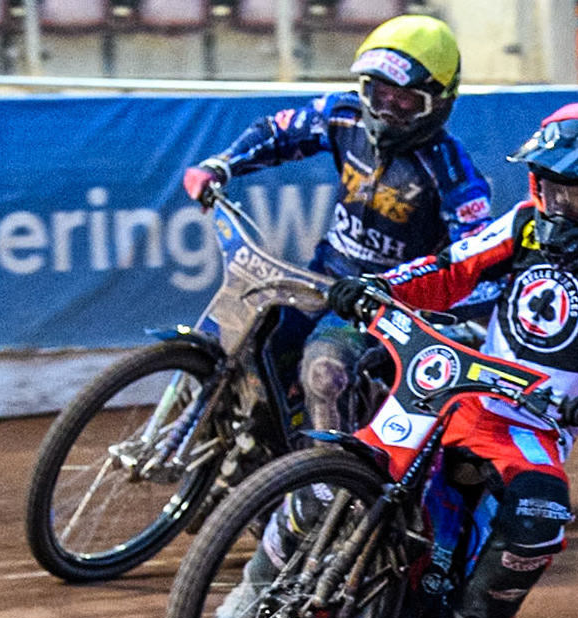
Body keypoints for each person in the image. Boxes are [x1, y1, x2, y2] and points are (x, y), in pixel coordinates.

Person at [201, 101, 578, 618]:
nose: (560, 208)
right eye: (550, 189)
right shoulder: (524, 223)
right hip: (454, 388)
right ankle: (247, 599)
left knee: (540, 508)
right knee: (340, 466)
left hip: (531, 423)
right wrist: (377, 287)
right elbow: (451, 267)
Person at [180, 14, 496, 439]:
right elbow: (278, 132)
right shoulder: (344, 115)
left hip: (391, 307)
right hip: (325, 277)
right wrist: (222, 165)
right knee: (242, 336)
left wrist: (428, 305)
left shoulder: (455, 175)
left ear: (439, 101)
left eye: (405, 102)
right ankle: (266, 445)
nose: (386, 111)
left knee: (324, 370)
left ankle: (327, 486)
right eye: (377, 93)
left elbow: (476, 265)